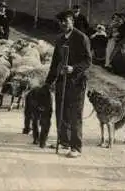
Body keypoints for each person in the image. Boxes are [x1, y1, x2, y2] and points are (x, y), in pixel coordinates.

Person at [45, 10, 92, 158]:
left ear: (72, 21)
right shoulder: (59, 39)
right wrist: (48, 82)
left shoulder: (81, 38)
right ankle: (63, 141)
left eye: (66, 21)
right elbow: (55, 62)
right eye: (60, 22)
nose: (63, 24)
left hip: (76, 82)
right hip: (61, 81)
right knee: (61, 112)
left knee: (74, 114)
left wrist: (73, 68)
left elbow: (87, 61)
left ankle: (76, 147)